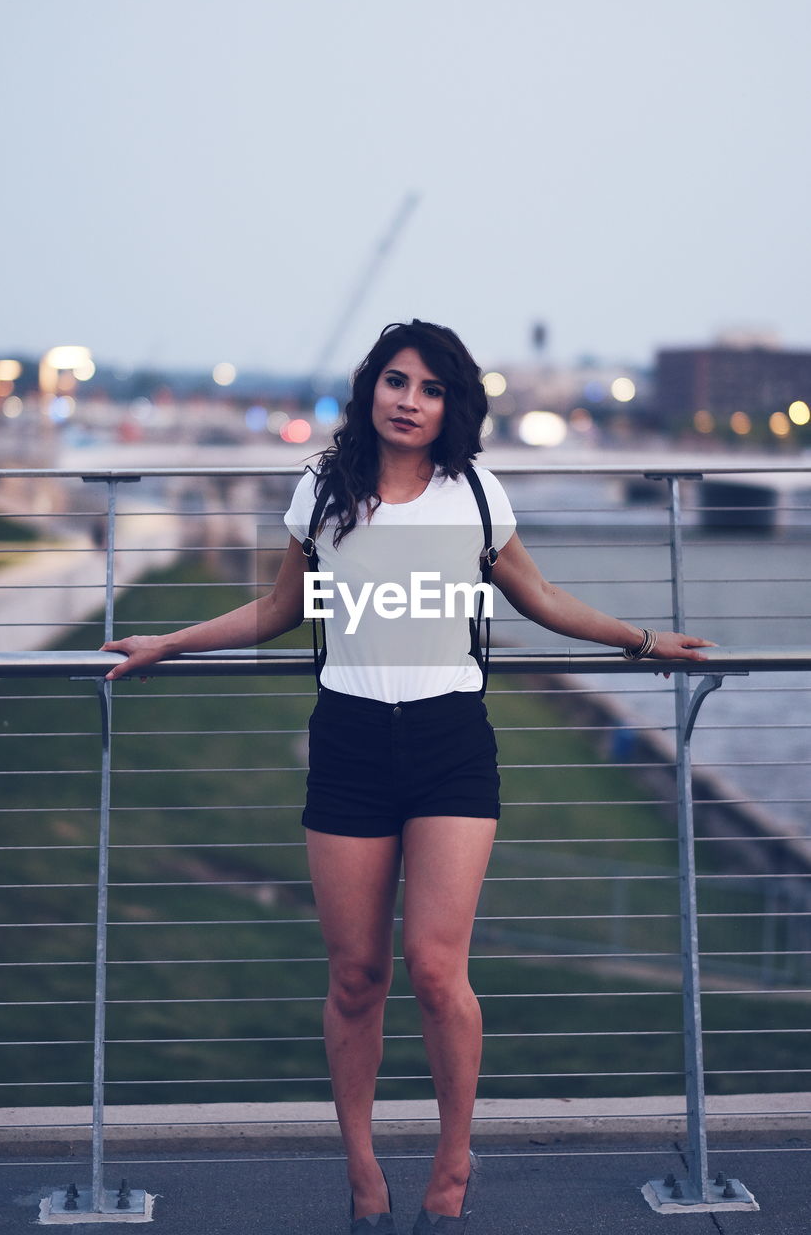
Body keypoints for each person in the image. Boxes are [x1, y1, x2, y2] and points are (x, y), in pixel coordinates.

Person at [101, 320, 712, 1233]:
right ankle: (361, 1174)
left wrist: (643, 639)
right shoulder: (322, 489)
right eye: (395, 382)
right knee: (355, 974)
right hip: (348, 740)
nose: (409, 401)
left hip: (449, 742)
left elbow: (537, 599)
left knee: (434, 969)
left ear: (449, 405)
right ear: (371, 390)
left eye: (428, 389)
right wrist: (167, 643)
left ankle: (453, 1163)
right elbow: (278, 608)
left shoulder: (473, 492)